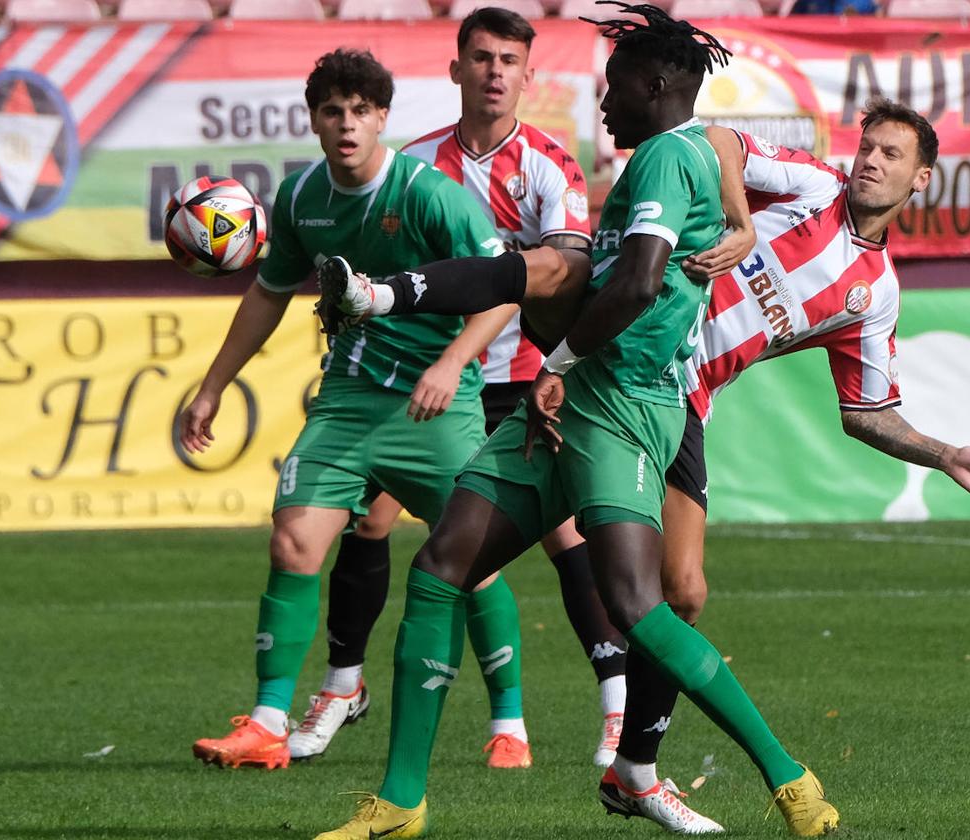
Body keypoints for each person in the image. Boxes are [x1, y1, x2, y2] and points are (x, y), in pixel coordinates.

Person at [313, 4, 841, 837]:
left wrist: (552, 369)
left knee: (637, 602)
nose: (603, 100)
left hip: (623, 407)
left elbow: (636, 283)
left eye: (617, 84)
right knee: (441, 565)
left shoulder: (669, 156)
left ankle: (791, 780)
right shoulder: (690, 152)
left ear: (659, 84)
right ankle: (400, 803)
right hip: (574, 401)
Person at [611, 98, 970, 823]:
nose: (870, 160)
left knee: (682, 592)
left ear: (920, 180)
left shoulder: (876, 295)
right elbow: (717, 140)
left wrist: (945, 455)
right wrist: (741, 222)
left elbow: (865, 410)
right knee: (526, 547)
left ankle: (632, 770)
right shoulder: (808, 184)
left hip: (686, 402)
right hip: (630, 357)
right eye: (867, 147)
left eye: (891, 155)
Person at [298, 7, 628, 770]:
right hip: (421, 380)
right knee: (370, 521)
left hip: (518, 379)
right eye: (480, 58)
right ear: (456, 70)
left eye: (509, 60)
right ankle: (344, 683)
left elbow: (568, 271)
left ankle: (613, 705)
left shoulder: (550, 166)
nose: (494, 72)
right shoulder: (411, 166)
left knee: (563, 537)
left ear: (527, 76)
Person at [184, 48, 520, 772]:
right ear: (313, 119)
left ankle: (509, 722)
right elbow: (270, 293)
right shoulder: (301, 197)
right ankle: (268, 721)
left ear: (382, 120)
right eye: (333, 110)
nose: (346, 124)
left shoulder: (431, 195)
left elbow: (505, 289)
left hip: (436, 406)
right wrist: (212, 386)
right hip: (345, 399)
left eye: (361, 111)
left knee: (475, 560)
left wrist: (452, 362)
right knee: (293, 543)